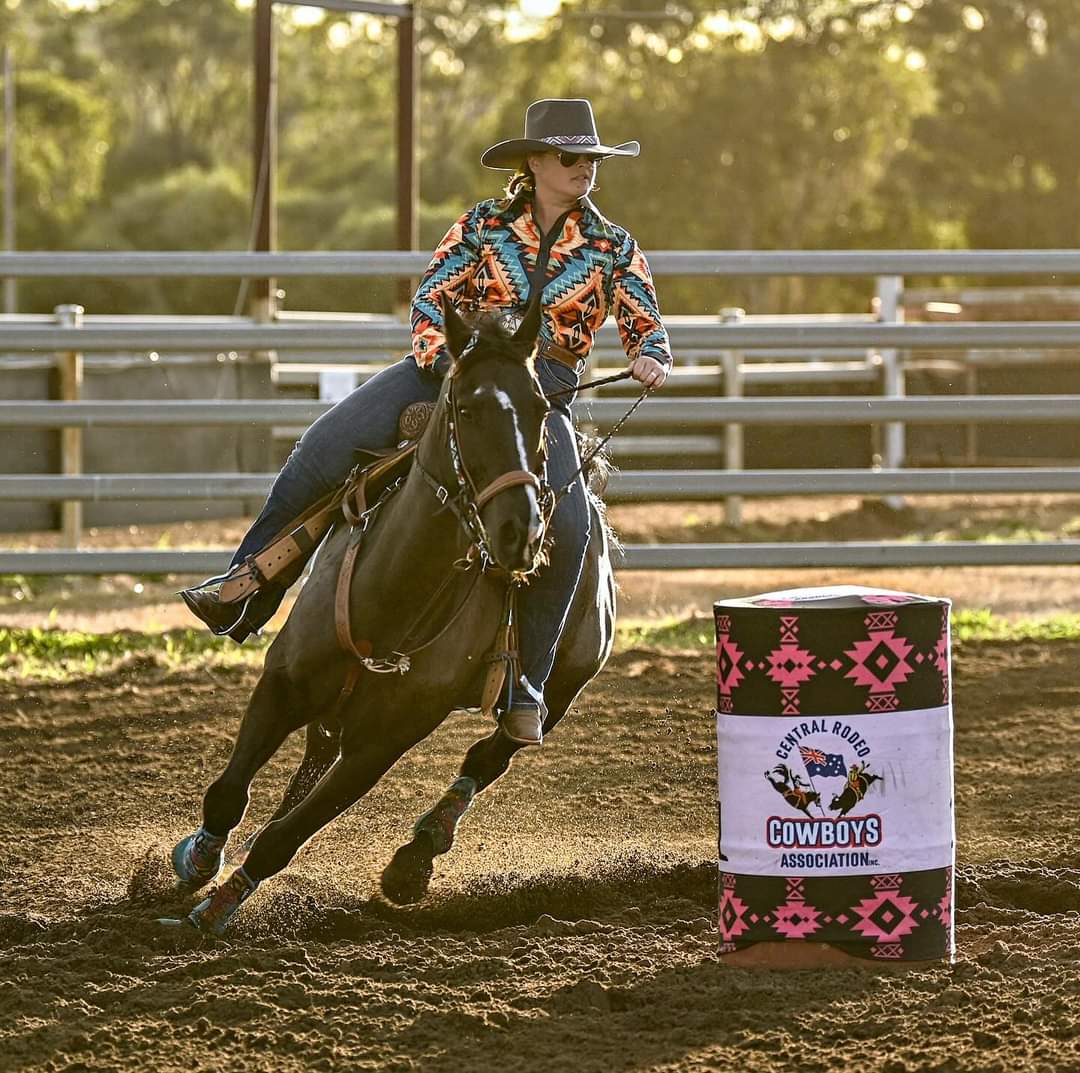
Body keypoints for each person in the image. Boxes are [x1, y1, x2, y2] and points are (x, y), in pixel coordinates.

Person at [181, 98, 672, 747]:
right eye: (571, 156)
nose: (585, 169)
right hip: (448, 364)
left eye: (592, 159)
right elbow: (432, 299)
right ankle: (247, 581)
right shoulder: (481, 226)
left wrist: (651, 354)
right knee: (325, 444)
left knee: (574, 522)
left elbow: (645, 319)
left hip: (534, 389)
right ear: (535, 163)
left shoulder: (614, 246)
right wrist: (444, 362)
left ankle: (529, 683)